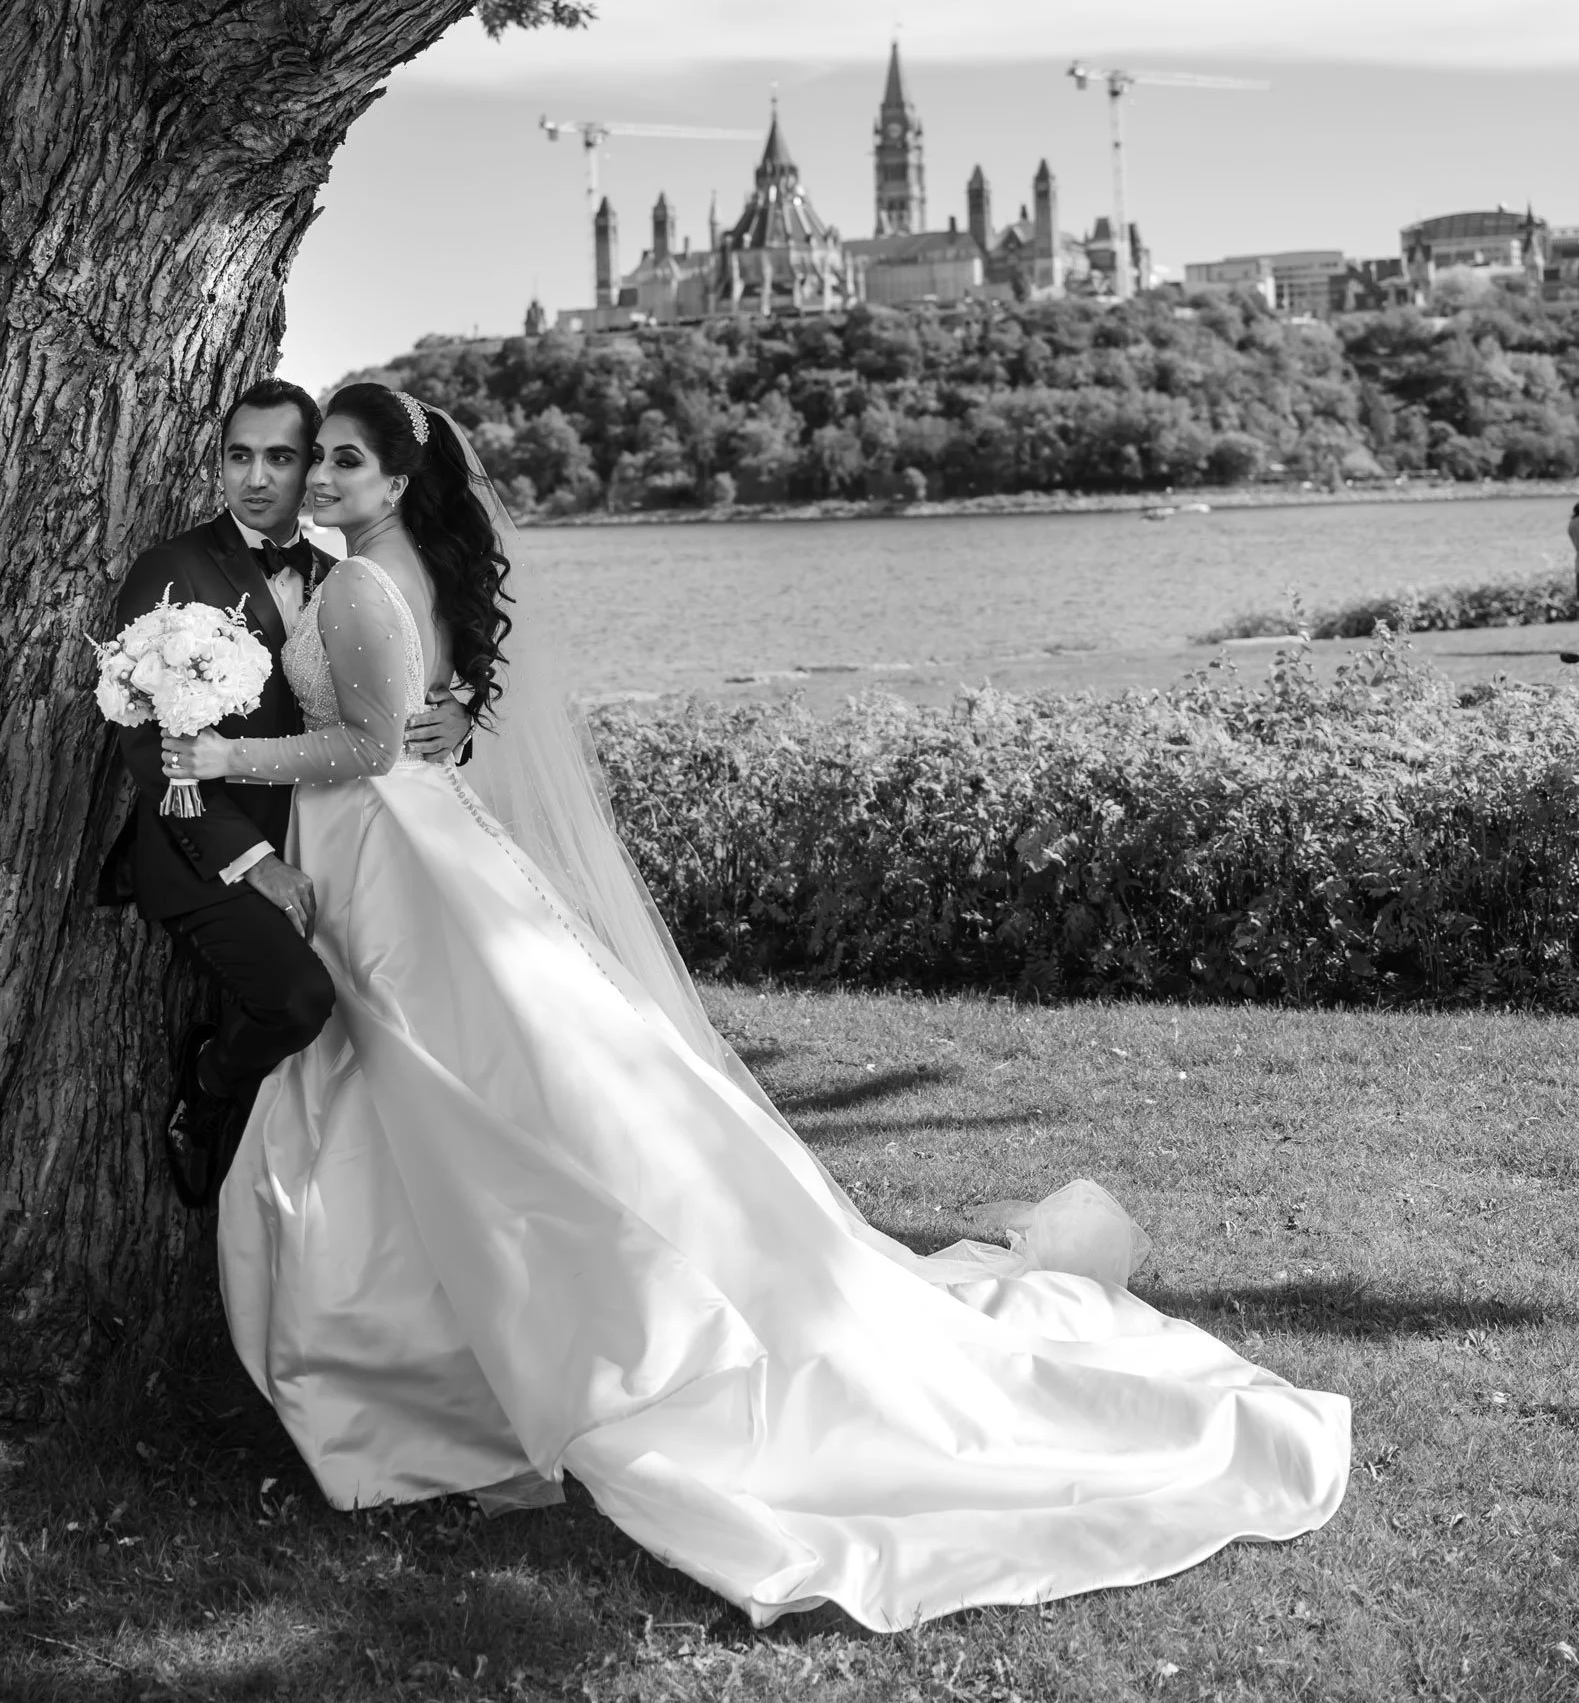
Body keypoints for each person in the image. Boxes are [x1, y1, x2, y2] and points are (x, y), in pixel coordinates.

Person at [161, 383, 1351, 1629]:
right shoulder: (396, 567)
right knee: (471, 1074)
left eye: (345, 461)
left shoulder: (358, 581)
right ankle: (449, 1356)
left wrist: (222, 757)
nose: (323, 479)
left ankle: (439, 1371)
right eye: (317, 461)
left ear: (400, 479)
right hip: (418, 842)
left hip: (384, 843)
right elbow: (427, 717)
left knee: (436, 1076)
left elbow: (369, 751)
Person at [98, 375, 469, 1204]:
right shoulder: (173, 567)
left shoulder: (340, 569)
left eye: (280, 457)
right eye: (238, 457)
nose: (256, 478)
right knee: (298, 1002)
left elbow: (391, 687)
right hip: (207, 844)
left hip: (330, 840)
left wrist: (459, 717)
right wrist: (255, 861)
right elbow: (145, 744)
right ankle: (210, 1087)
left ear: (310, 468)